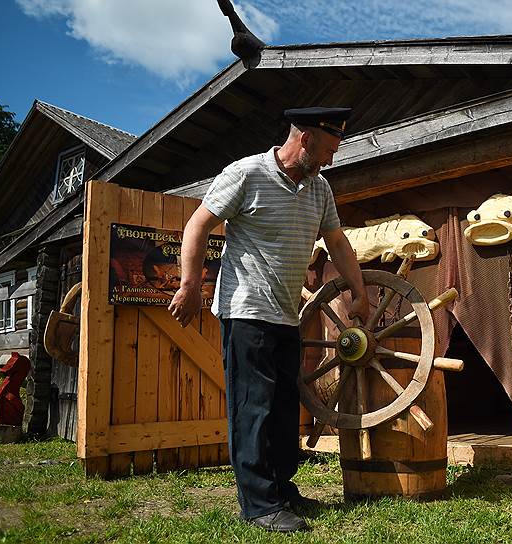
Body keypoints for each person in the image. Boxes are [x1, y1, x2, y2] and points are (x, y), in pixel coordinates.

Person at [168, 107, 369, 533]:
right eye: (329, 149)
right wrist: (189, 284)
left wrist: (359, 290)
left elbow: (337, 241)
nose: (332, 159)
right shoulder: (246, 174)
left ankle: (279, 487)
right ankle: (259, 504)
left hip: (285, 314)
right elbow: (198, 225)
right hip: (246, 308)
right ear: (306, 139)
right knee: (253, 406)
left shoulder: (319, 189)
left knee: (281, 408)